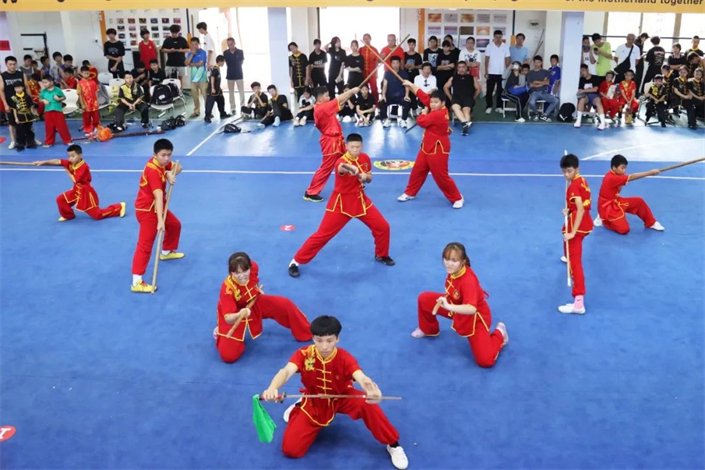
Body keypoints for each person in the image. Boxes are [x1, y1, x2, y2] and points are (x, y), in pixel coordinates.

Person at [261, 315, 409, 470]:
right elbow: (285, 372)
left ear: (337, 339)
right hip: (314, 400)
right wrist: (272, 388)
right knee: (291, 450)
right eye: (319, 340)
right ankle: (300, 405)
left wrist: (370, 389)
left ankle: (393, 444)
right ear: (313, 338)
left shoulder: (345, 358)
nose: (324, 346)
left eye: (329, 340)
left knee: (368, 405)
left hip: (343, 396)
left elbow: (360, 376)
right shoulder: (303, 354)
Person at [289, 133, 394, 278]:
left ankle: (381, 254)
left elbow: (370, 177)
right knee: (322, 235)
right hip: (340, 204)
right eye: (352, 147)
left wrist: (366, 177)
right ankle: (295, 262)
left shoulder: (365, 158)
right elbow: (342, 168)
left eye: (357, 147)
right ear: (346, 146)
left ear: (362, 146)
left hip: (360, 200)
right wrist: (353, 169)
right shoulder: (341, 161)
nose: (355, 150)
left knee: (383, 226)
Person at [411, 242, 508, 367]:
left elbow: (471, 308)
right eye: (446, 259)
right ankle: (428, 329)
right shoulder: (455, 271)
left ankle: (500, 333)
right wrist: (448, 304)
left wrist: (448, 306)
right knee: (424, 299)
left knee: (485, 361)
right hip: (456, 306)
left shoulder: (468, 280)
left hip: (475, 319)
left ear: (463, 261)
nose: (449, 264)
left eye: (454, 260)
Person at [215, 252, 311, 363]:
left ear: (250, 267)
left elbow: (253, 280)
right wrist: (240, 313)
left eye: (245, 271)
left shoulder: (254, 267)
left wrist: (255, 289)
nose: (242, 276)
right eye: (237, 273)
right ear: (231, 272)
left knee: (284, 304)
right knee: (228, 356)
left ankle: (307, 331)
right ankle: (219, 331)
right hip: (234, 313)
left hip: (253, 302)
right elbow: (228, 318)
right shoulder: (227, 289)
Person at [398, 80, 464, 209]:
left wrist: (423, 112)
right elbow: (424, 97)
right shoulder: (437, 107)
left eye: (435, 102)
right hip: (427, 146)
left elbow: (421, 121)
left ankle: (457, 197)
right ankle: (410, 192)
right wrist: (410, 85)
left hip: (438, 148)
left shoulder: (438, 114)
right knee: (418, 170)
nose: (432, 104)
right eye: (432, 102)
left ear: (443, 103)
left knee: (441, 176)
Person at [130, 139, 184, 293]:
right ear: (155, 154)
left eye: (169, 155)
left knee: (174, 225)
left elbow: (179, 167)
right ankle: (136, 281)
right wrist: (160, 221)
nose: (167, 158)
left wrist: (168, 173)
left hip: (157, 207)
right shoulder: (152, 171)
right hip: (148, 211)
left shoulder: (161, 164)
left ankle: (166, 252)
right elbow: (158, 196)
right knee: (145, 245)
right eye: (163, 155)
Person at [32, 145, 125, 221]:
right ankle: (68, 215)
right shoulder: (72, 163)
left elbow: (74, 180)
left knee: (97, 215)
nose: (70, 159)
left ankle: (118, 207)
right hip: (76, 190)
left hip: (85, 192)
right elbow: (57, 161)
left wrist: (67, 170)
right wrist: (43, 162)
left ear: (80, 155)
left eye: (73, 156)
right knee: (61, 200)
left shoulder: (84, 167)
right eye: (69, 156)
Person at [303, 85, 360, 202]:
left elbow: (340, 102)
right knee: (326, 168)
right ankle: (311, 192)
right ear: (320, 98)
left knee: (348, 160)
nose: (329, 98)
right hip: (330, 142)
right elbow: (338, 99)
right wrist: (352, 91)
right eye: (327, 96)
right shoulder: (321, 108)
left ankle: (354, 182)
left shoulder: (325, 107)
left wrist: (349, 95)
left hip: (338, 140)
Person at [593, 154, 664, 235]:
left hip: (616, 201)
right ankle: (604, 220)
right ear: (614, 168)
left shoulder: (617, 174)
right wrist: (650, 173)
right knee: (624, 229)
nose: (624, 170)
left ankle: (651, 223)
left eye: (625, 168)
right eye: (622, 168)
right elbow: (632, 177)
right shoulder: (612, 178)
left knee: (639, 201)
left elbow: (619, 189)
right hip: (607, 207)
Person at [558, 153, 593, 315]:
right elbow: (580, 205)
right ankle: (568, 257)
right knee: (568, 248)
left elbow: (580, 209)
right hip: (584, 222)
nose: (566, 175)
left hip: (577, 226)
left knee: (576, 264)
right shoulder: (581, 180)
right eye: (564, 171)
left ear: (577, 169)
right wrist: (569, 209)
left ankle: (578, 303)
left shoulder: (573, 187)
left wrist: (573, 232)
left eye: (569, 171)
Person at [444, 61, 480, 135]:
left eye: (463, 67)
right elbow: (445, 87)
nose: (461, 69)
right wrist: (450, 97)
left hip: (468, 98)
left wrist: (473, 97)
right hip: (456, 98)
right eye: (459, 67)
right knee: (455, 107)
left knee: (466, 110)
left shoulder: (471, 78)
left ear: (466, 68)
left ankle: (465, 128)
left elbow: (478, 89)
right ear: (457, 69)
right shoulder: (453, 78)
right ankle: (465, 123)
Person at [1, 56, 29, 150]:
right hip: (11, 103)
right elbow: (1, 91)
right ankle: (13, 141)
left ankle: (31, 138)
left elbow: (27, 87)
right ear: (6, 64)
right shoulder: (3, 76)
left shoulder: (21, 74)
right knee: (12, 123)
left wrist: (30, 100)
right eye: (10, 64)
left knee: (28, 121)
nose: (12, 66)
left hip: (23, 101)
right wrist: (5, 104)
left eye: (14, 64)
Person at [39, 75, 72, 147]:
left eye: (45, 82)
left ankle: (67, 140)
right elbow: (40, 98)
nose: (44, 84)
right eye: (43, 83)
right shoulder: (43, 91)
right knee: (49, 127)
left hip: (57, 110)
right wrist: (43, 100)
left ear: (51, 82)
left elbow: (64, 97)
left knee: (62, 126)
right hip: (48, 111)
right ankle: (49, 142)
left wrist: (59, 99)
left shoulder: (57, 90)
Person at [379, 56, 411, 128]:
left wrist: (406, 95)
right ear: (391, 64)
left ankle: (403, 120)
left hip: (400, 96)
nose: (395, 65)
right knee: (382, 102)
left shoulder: (404, 73)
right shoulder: (387, 73)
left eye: (397, 63)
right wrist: (383, 96)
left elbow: (407, 86)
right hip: (389, 96)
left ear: (399, 64)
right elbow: (384, 85)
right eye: (393, 63)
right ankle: (386, 119)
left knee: (407, 101)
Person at [484, 30, 510, 113]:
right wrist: (486, 71)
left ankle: (499, 106)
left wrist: (507, 72)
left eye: (500, 37)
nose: (498, 39)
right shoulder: (489, 46)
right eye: (496, 37)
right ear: (494, 37)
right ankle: (489, 106)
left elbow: (507, 59)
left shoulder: (505, 47)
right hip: (491, 72)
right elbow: (486, 59)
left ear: (502, 37)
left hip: (502, 73)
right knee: (489, 91)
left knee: (500, 91)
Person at [574, 64, 606, 130]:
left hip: (594, 96)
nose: (582, 73)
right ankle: (578, 121)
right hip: (586, 96)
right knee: (581, 100)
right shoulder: (581, 79)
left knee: (598, 102)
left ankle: (603, 123)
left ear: (587, 70)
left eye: (583, 70)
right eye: (581, 72)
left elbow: (595, 89)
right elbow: (580, 90)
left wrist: (583, 90)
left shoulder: (595, 77)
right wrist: (580, 91)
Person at [527, 55, 559, 121]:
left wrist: (536, 82)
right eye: (535, 62)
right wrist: (542, 83)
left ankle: (545, 115)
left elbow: (547, 83)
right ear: (533, 63)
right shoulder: (530, 73)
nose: (537, 64)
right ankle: (536, 113)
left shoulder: (546, 72)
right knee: (531, 102)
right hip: (534, 93)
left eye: (538, 62)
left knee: (556, 100)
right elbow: (531, 85)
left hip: (544, 92)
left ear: (541, 62)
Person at [9, 82, 37, 151]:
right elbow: (14, 109)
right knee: (20, 132)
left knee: (29, 130)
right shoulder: (13, 98)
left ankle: (30, 143)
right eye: (16, 88)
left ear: (22, 88)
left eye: (19, 87)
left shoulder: (27, 97)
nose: (17, 89)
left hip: (28, 116)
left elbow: (31, 107)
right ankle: (20, 145)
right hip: (20, 117)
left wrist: (33, 115)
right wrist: (16, 118)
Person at [185, 37, 208, 118]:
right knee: (195, 95)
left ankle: (208, 111)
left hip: (202, 78)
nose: (194, 46)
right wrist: (192, 54)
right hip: (193, 78)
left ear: (198, 44)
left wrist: (192, 64)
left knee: (205, 95)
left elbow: (200, 63)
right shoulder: (189, 53)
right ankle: (196, 111)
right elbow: (186, 63)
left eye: (196, 44)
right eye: (192, 44)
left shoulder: (203, 52)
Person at [77, 66, 101, 138]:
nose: (87, 75)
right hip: (86, 104)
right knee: (87, 117)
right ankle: (87, 130)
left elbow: (96, 92)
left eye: (88, 73)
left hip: (94, 103)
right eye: (85, 73)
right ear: (81, 73)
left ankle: (96, 128)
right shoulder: (80, 83)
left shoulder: (93, 82)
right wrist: (82, 104)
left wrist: (97, 101)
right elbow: (80, 95)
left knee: (96, 116)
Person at [223, 38, 245, 115]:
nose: (230, 46)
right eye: (228, 45)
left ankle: (243, 107)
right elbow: (224, 62)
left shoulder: (240, 52)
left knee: (241, 92)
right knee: (231, 93)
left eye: (231, 44)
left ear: (234, 43)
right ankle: (232, 108)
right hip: (230, 74)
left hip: (239, 74)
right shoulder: (225, 53)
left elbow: (241, 61)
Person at [205, 55, 227, 123]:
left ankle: (222, 114)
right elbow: (212, 77)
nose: (224, 63)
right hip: (212, 90)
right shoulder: (215, 69)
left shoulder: (217, 68)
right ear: (220, 62)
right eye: (223, 62)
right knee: (210, 103)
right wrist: (212, 88)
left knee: (221, 100)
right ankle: (207, 117)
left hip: (218, 90)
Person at [359, 34, 381, 100]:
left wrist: (376, 73)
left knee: (374, 89)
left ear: (370, 39)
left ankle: (376, 103)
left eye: (367, 38)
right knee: (363, 89)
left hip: (372, 73)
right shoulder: (360, 49)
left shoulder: (374, 49)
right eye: (365, 38)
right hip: (363, 73)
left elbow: (378, 61)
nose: (366, 40)